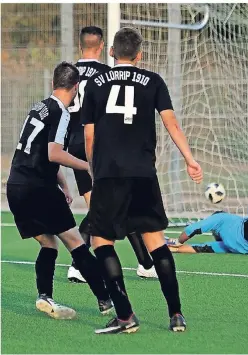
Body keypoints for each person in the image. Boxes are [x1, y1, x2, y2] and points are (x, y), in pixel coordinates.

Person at [82, 27, 203, 334]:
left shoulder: (95, 83)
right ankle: (176, 314)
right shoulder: (153, 81)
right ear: (139, 55)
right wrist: (190, 160)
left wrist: (94, 170)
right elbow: (171, 123)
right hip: (143, 173)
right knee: (155, 242)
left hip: (109, 173)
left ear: (111, 52)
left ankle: (125, 315)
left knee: (101, 241)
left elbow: (89, 134)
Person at [6, 62, 113, 320]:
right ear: (76, 88)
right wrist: (89, 167)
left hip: (16, 186)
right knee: (76, 242)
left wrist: (64, 185)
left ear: (55, 82)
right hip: (38, 188)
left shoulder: (39, 107)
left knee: (48, 243)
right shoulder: (62, 113)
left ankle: (45, 296)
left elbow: (41, 152)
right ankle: (105, 301)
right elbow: (54, 153)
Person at [67, 26, 157, 283]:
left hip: (72, 147)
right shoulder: (106, 76)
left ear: (80, 45)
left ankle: (145, 262)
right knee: (107, 206)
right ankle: (79, 265)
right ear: (104, 47)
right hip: (98, 147)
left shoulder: (68, 72)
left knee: (108, 206)